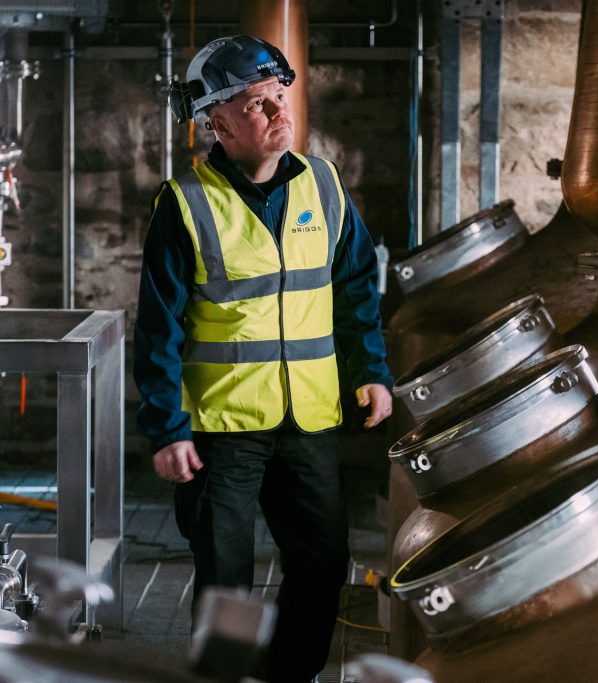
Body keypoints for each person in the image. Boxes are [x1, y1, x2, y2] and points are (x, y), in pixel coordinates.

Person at [133, 35, 393, 682]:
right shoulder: (186, 204)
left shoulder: (324, 186)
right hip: (221, 429)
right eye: (257, 104)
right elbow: (157, 325)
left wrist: (370, 372)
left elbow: (357, 286)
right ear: (216, 122)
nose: (280, 113)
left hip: (307, 420)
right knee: (227, 582)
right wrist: (167, 426)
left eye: (282, 96)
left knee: (324, 565)